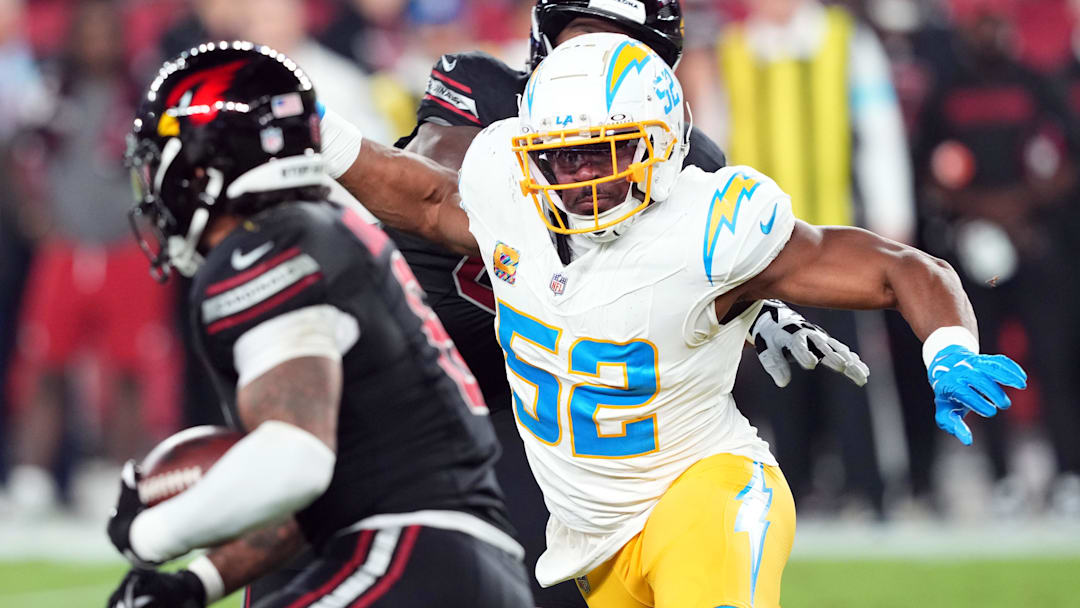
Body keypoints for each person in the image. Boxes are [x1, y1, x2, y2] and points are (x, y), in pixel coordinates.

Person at [358, 33, 1025, 607]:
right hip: (594, 534)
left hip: (704, 492)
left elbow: (901, 265)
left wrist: (948, 348)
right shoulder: (508, 198)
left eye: (609, 150)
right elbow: (411, 192)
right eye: (565, 155)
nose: (583, 176)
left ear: (663, 144)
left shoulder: (711, 226)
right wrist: (311, 136)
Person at [321, 2, 868, 603]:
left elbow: (705, 260)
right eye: (581, 36)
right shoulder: (486, 97)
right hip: (389, 370)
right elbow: (436, 180)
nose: (595, 57)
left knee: (534, 584)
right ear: (544, 39)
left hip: (526, 402)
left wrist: (761, 307)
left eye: (619, 41)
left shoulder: (685, 159)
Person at [104, 42, 532, 608]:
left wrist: (147, 533)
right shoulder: (333, 234)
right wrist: (196, 581)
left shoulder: (267, 250)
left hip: (406, 553)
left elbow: (294, 461)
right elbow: (325, 491)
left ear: (202, 166)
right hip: (458, 560)